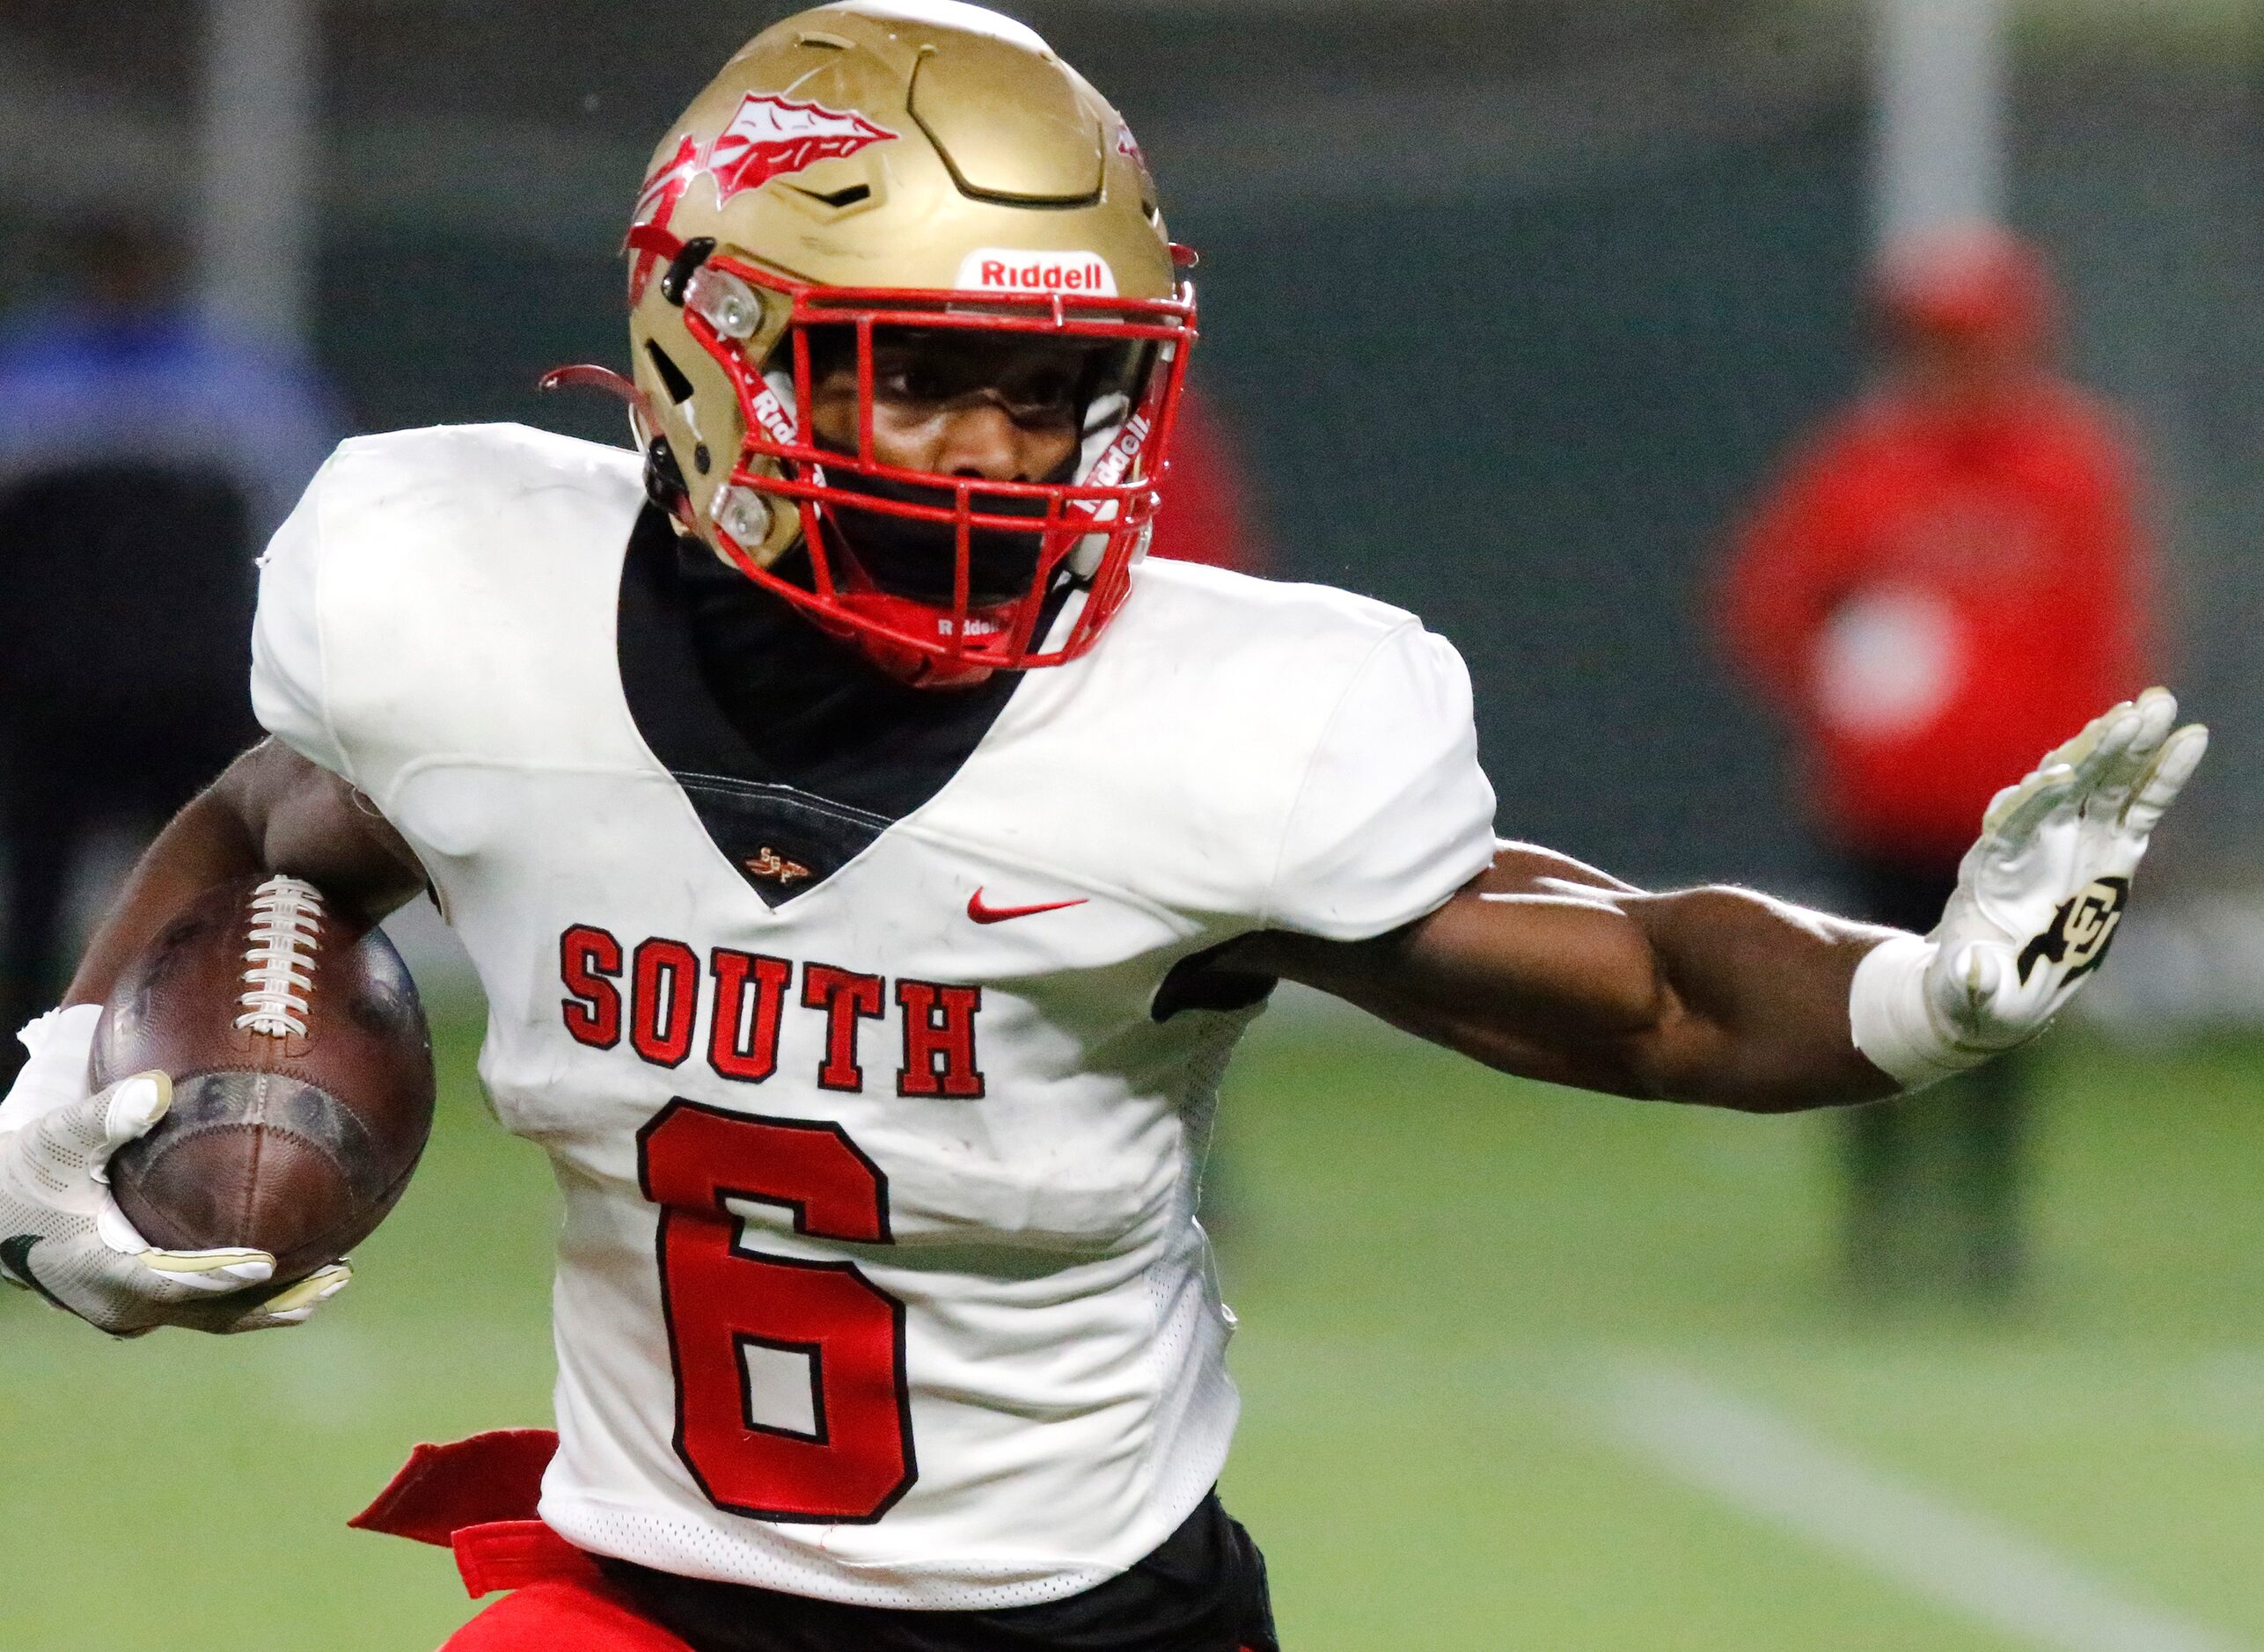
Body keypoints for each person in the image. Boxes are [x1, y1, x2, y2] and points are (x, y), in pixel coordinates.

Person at [0, 8, 2204, 1649]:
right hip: (645, 1592)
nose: (994, 451)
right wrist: (82, 1068)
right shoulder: (473, 629)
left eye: (1053, 392)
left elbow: (1626, 988)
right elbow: (280, 829)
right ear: (711, 345)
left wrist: (1921, 989)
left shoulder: (1196, 733)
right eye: (925, 372)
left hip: (1087, 1621)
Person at [1716, 226, 2155, 1302]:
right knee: (1870, 1014)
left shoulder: (2072, 468)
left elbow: (2107, 632)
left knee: (2009, 1024)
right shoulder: (1858, 468)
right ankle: (1877, 1234)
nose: (1948, 364)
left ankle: (1985, 1237)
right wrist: (1832, 695)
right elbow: (1768, 605)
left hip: (2022, 810)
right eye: (1926, 341)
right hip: (1884, 806)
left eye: (1967, 340)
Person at [0, 216, 344, 1074]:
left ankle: (205, 1049)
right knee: (37, 896)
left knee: (215, 892)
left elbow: (302, 526)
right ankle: (31, 1067)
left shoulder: (241, 383)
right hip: (57, 688)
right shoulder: (32, 374)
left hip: (185, 685)